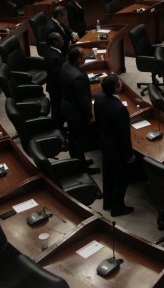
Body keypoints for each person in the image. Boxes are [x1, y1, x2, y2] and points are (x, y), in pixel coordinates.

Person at [94, 74, 135, 217]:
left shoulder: (99, 98)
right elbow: (124, 136)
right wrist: (129, 154)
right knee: (121, 177)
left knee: (108, 173)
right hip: (116, 147)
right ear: (116, 88)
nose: (121, 84)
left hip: (104, 141)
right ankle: (117, 208)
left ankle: (108, 202)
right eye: (119, 82)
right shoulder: (120, 109)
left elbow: (98, 121)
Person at [60, 47, 99, 173]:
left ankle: (77, 160)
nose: (86, 56)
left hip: (66, 105)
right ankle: (81, 167)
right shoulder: (79, 77)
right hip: (76, 113)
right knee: (78, 139)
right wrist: (89, 116)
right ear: (78, 60)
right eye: (83, 55)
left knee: (73, 137)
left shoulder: (65, 65)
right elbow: (83, 100)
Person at [43, 32, 65, 128]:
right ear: (55, 42)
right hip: (56, 88)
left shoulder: (51, 51)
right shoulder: (55, 57)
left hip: (53, 86)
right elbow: (58, 76)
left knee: (57, 108)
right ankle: (58, 130)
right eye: (61, 39)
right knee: (58, 109)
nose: (63, 40)